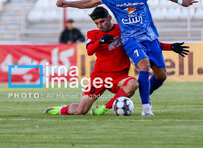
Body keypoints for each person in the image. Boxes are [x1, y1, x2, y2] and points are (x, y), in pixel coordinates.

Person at [56, 0, 198, 116]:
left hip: (142, 46)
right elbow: (90, 3)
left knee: (158, 76)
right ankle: (145, 108)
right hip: (118, 54)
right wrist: (69, 3)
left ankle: (137, 97)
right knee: (143, 66)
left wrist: (180, 2)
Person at [45, 6, 190, 116]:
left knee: (133, 83)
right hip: (100, 78)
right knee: (80, 111)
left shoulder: (123, 30)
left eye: (102, 21)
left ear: (109, 18)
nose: (100, 25)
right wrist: (100, 41)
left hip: (119, 77)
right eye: (97, 23)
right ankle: (59, 110)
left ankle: (104, 108)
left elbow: (145, 43)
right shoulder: (93, 34)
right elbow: (89, 51)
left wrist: (170, 46)